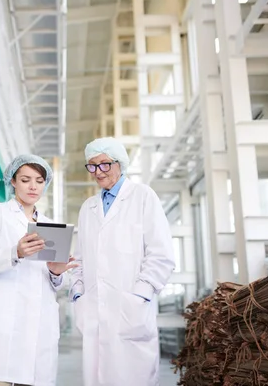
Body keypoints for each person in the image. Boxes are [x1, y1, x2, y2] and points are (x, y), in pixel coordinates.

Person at [70, 137, 175, 386]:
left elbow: (161, 254)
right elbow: (80, 258)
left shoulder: (142, 196)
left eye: (104, 164)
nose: (98, 172)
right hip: (95, 311)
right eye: (92, 166)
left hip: (132, 311)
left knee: (133, 377)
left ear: (120, 163)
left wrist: (140, 296)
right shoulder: (88, 208)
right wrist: (78, 293)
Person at [0, 154, 77, 386]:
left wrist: (56, 271)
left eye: (39, 181)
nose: (33, 186)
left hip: (40, 324)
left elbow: (55, 283)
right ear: (13, 181)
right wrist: (15, 252)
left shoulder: (51, 224)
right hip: (6, 319)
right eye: (25, 179)